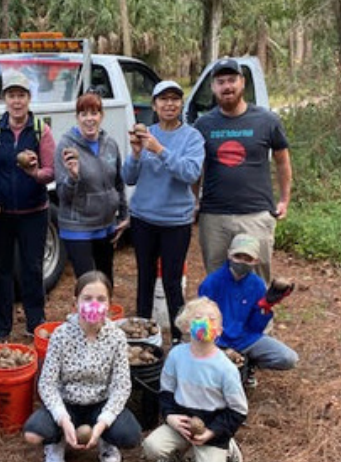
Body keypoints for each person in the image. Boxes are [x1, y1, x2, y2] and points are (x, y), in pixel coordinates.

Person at [23, 271, 142, 462]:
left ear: (109, 304)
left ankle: (105, 439)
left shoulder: (117, 337)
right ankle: (56, 442)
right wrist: (62, 418)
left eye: (101, 299)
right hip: (67, 403)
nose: (93, 304)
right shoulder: (61, 335)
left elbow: (122, 385)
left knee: (130, 435)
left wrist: (103, 422)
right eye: (87, 298)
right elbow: (47, 383)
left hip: (100, 403)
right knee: (33, 434)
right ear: (75, 303)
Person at [142, 297, 248, 462]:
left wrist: (213, 432)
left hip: (212, 428)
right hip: (182, 424)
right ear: (186, 326)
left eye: (212, 319)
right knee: (151, 447)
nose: (205, 323)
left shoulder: (225, 368)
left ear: (219, 330)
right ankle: (180, 449)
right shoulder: (176, 356)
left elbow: (238, 411)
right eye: (198, 318)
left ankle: (227, 446)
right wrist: (170, 417)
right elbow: (166, 392)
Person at [195, 58, 293, 284]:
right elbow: (196, 167)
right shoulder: (203, 125)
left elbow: (282, 162)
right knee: (216, 280)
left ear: (243, 82)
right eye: (221, 82)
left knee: (256, 281)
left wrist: (284, 200)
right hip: (214, 217)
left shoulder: (267, 120)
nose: (227, 86)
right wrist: (194, 201)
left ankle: (258, 310)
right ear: (213, 87)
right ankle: (221, 311)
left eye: (232, 80)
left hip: (255, 214)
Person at [122, 80, 205, 345]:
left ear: (181, 104)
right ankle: (143, 336)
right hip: (143, 219)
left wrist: (159, 150)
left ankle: (179, 339)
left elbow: (190, 173)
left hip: (175, 222)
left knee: (171, 282)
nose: (169, 104)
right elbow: (128, 177)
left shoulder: (192, 137)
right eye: (163, 99)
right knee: (144, 279)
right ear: (155, 105)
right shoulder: (146, 134)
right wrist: (136, 154)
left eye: (174, 99)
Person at [0, 70, 56, 341]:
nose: (16, 101)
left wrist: (35, 173)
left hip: (34, 213)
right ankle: (2, 328)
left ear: (28, 98)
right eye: (11, 95)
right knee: (0, 271)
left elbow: (51, 171)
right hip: (1, 215)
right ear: (5, 99)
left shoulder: (40, 130)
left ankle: (35, 323)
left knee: (32, 270)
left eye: (21, 95)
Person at [198, 233, 298, 387]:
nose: (242, 262)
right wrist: (220, 347)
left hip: (245, 339)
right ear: (229, 255)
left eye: (248, 258)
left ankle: (249, 363)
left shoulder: (257, 284)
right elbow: (201, 322)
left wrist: (265, 306)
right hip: (216, 341)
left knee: (288, 358)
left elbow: (255, 328)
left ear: (256, 261)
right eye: (238, 256)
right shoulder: (211, 283)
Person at [54, 91, 129, 285]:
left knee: (106, 282)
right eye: (84, 114)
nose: (89, 119)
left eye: (94, 113)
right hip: (78, 227)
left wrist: (123, 215)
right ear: (77, 117)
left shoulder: (110, 144)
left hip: (106, 226)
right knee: (88, 285)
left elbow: (118, 183)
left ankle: (105, 307)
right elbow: (63, 195)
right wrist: (73, 177)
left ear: (101, 116)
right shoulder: (66, 146)